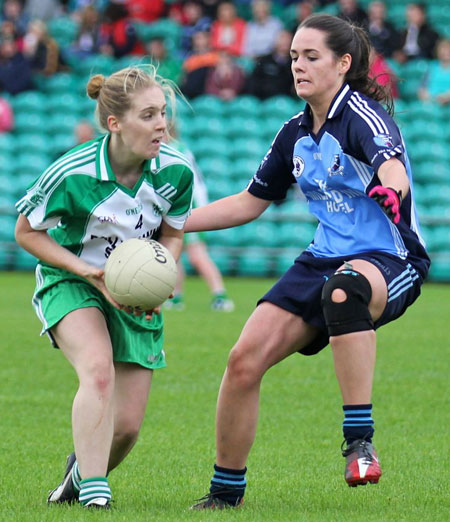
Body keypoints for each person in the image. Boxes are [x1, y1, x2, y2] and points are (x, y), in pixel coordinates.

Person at [186, 13, 430, 509]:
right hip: (324, 258)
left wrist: (389, 188)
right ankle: (225, 494)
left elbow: (392, 166)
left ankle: (359, 441)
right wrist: (175, 223)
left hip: (388, 256)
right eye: (295, 55)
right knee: (242, 362)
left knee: (345, 290)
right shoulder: (293, 131)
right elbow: (249, 202)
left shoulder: (361, 115)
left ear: (343, 63)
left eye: (311, 56)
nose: (298, 65)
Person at [14, 65, 194, 509]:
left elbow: (173, 234)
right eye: (149, 115)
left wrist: (160, 271)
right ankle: (97, 496)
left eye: (163, 114)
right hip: (73, 281)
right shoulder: (72, 173)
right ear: (115, 123)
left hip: (134, 297)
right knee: (98, 372)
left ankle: (79, 477)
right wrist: (90, 272)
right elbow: (26, 232)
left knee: (128, 426)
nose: (161, 125)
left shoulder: (177, 172)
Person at [164, 128, 234, 312]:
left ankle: (220, 295)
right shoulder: (169, 150)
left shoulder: (175, 150)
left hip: (190, 206)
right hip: (176, 207)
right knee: (173, 255)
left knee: (197, 255)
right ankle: (176, 297)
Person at [246, 29, 295, 99]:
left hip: (285, 101)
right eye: (282, 38)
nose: (285, 42)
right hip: (262, 100)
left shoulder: (294, 62)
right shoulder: (264, 60)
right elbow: (253, 81)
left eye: (287, 39)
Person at [418, 38, 450, 105]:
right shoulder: (432, 66)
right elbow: (422, 88)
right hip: (431, 102)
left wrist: (446, 97)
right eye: (443, 49)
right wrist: (426, 96)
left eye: (448, 49)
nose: (446, 52)